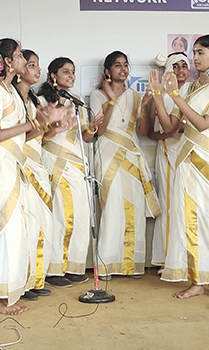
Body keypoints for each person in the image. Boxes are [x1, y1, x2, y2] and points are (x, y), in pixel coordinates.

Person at [0, 38, 61, 315]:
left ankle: (4, 294)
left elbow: (26, 134)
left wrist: (45, 124)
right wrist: (33, 123)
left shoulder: (11, 92)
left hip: (15, 164)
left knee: (15, 230)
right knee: (3, 227)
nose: (24, 60)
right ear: (8, 62)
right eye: (21, 56)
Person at [152, 34, 209, 298]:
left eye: (201, 53)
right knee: (191, 220)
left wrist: (174, 96)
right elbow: (169, 127)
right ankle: (198, 280)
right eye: (195, 52)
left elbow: (202, 124)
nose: (195, 57)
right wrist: (157, 97)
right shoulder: (187, 90)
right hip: (188, 161)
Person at [88, 51, 160, 278]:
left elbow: (144, 131)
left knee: (135, 207)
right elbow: (100, 129)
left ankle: (131, 264)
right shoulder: (96, 95)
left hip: (132, 154)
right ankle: (108, 263)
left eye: (125, 65)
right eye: (117, 65)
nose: (123, 69)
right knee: (112, 206)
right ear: (107, 72)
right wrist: (111, 100)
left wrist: (146, 107)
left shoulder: (135, 96)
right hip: (108, 154)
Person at [16, 49, 72, 300]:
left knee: (41, 224)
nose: (36, 70)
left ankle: (35, 280)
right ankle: (21, 282)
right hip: (22, 163)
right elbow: (19, 137)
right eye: (31, 64)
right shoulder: (17, 99)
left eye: (37, 65)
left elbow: (41, 137)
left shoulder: (33, 101)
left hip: (36, 162)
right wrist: (43, 124)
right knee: (26, 225)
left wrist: (55, 127)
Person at [40, 58, 95, 287]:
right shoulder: (42, 100)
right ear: (53, 75)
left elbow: (85, 136)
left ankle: (74, 266)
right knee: (62, 217)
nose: (71, 76)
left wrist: (93, 127)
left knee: (81, 217)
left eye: (73, 72)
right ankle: (54, 270)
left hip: (78, 165)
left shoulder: (78, 101)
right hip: (56, 162)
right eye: (66, 71)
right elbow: (39, 136)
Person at [143, 52, 190, 270]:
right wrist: (168, 134)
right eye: (175, 66)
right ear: (167, 70)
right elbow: (149, 132)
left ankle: (189, 257)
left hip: (190, 156)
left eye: (184, 66)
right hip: (167, 154)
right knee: (171, 205)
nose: (180, 71)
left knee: (188, 205)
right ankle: (170, 258)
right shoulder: (158, 94)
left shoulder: (194, 91)